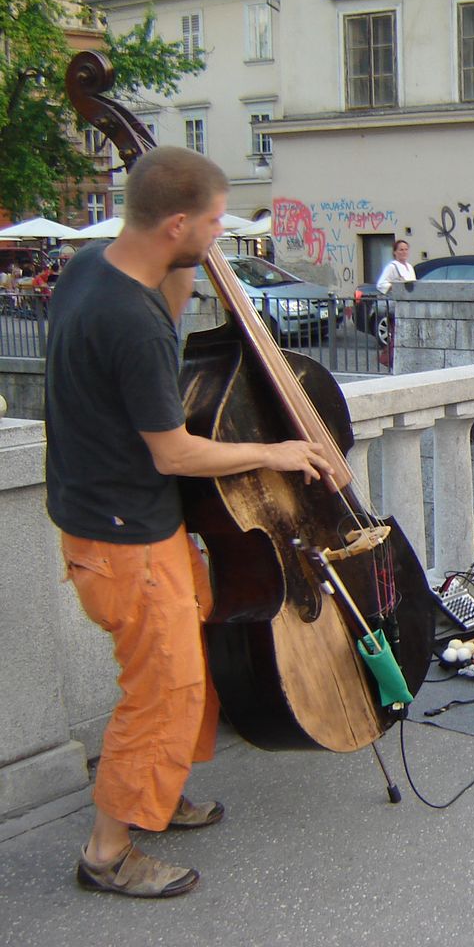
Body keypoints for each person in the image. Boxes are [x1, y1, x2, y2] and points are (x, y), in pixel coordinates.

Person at [45, 146, 334, 898]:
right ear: (176, 223)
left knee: (191, 655)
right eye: (212, 223)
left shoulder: (94, 270)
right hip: (124, 534)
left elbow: (167, 304)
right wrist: (274, 447)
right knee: (163, 687)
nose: (221, 236)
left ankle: (159, 793)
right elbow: (172, 452)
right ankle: (107, 853)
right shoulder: (128, 323)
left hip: (122, 519)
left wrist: (193, 262)